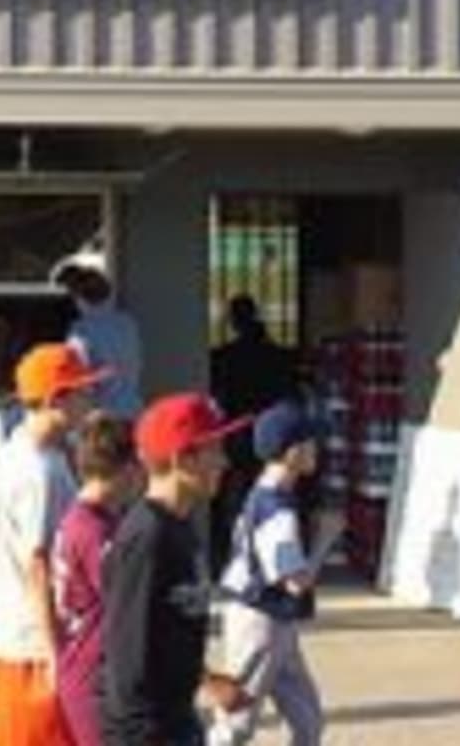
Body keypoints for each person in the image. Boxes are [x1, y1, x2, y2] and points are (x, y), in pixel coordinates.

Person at [0, 343, 104, 746]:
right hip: (30, 643)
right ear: (55, 399)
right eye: (83, 391)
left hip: (9, 632)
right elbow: (40, 565)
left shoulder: (18, 447)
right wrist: (55, 651)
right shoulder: (39, 471)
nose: (91, 400)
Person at [102, 393, 243, 746]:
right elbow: (127, 661)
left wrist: (206, 678)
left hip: (179, 720)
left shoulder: (182, 526)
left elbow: (170, 631)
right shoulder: (146, 537)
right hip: (149, 734)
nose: (224, 462)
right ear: (183, 459)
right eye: (214, 451)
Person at [211, 402, 335, 746]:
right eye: (311, 443)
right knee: (236, 724)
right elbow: (295, 582)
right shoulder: (277, 510)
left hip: (273, 622)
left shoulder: (262, 493)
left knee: (307, 718)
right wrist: (324, 542)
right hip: (259, 622)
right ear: (293, 452)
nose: (317, 450)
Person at [52, 412, 141, 746]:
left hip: (82, 669)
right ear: (128, 468)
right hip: (92, 675)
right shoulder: (94, 530)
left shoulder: (84, 519)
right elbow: (127, 602)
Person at [209, 295, 297, 568]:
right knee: (269, 491)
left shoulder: (223, 356)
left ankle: (223, 549)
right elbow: (289, 391)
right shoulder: (278, 355)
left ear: (233, 322)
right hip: (272, 428)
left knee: (222, 492)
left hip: (236, 428)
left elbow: (216, 395)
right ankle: (265, 548)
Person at [55, 252, 143, 418]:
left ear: (77, 297)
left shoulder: (82, 331)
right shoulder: (127, 323)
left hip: (102, 418)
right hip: (133, 409)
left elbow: (80, 380)